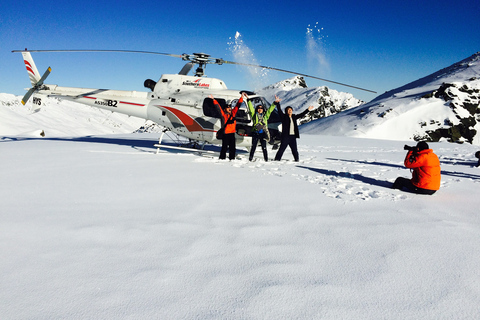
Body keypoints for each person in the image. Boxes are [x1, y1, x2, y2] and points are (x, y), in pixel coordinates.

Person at [243, 92, 277, 161]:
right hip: (255, 132)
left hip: (263, 133)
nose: (260, 109)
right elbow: (251, 108)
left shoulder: (265, 115)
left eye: (261, 108)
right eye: (258, 108)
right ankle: (250, 158)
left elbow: (270, 110)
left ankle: (266, 159)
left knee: (264, 147)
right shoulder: (254, 114)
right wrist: (248, 99)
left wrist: (275, 103)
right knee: (253, 147)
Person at [210, 94, 243, 160]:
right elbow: (218, 108)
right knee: (224, 147)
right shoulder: (223, 116)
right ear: (225, 109)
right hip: (226, 133)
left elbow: (237, 106)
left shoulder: (233, 114)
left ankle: (232, 158)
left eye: (230, 107)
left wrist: (241, 97)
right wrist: (214, 100)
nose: (230, 108)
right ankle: (222, 158)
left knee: (232, 147)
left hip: (232, 133)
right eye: (228, 108)